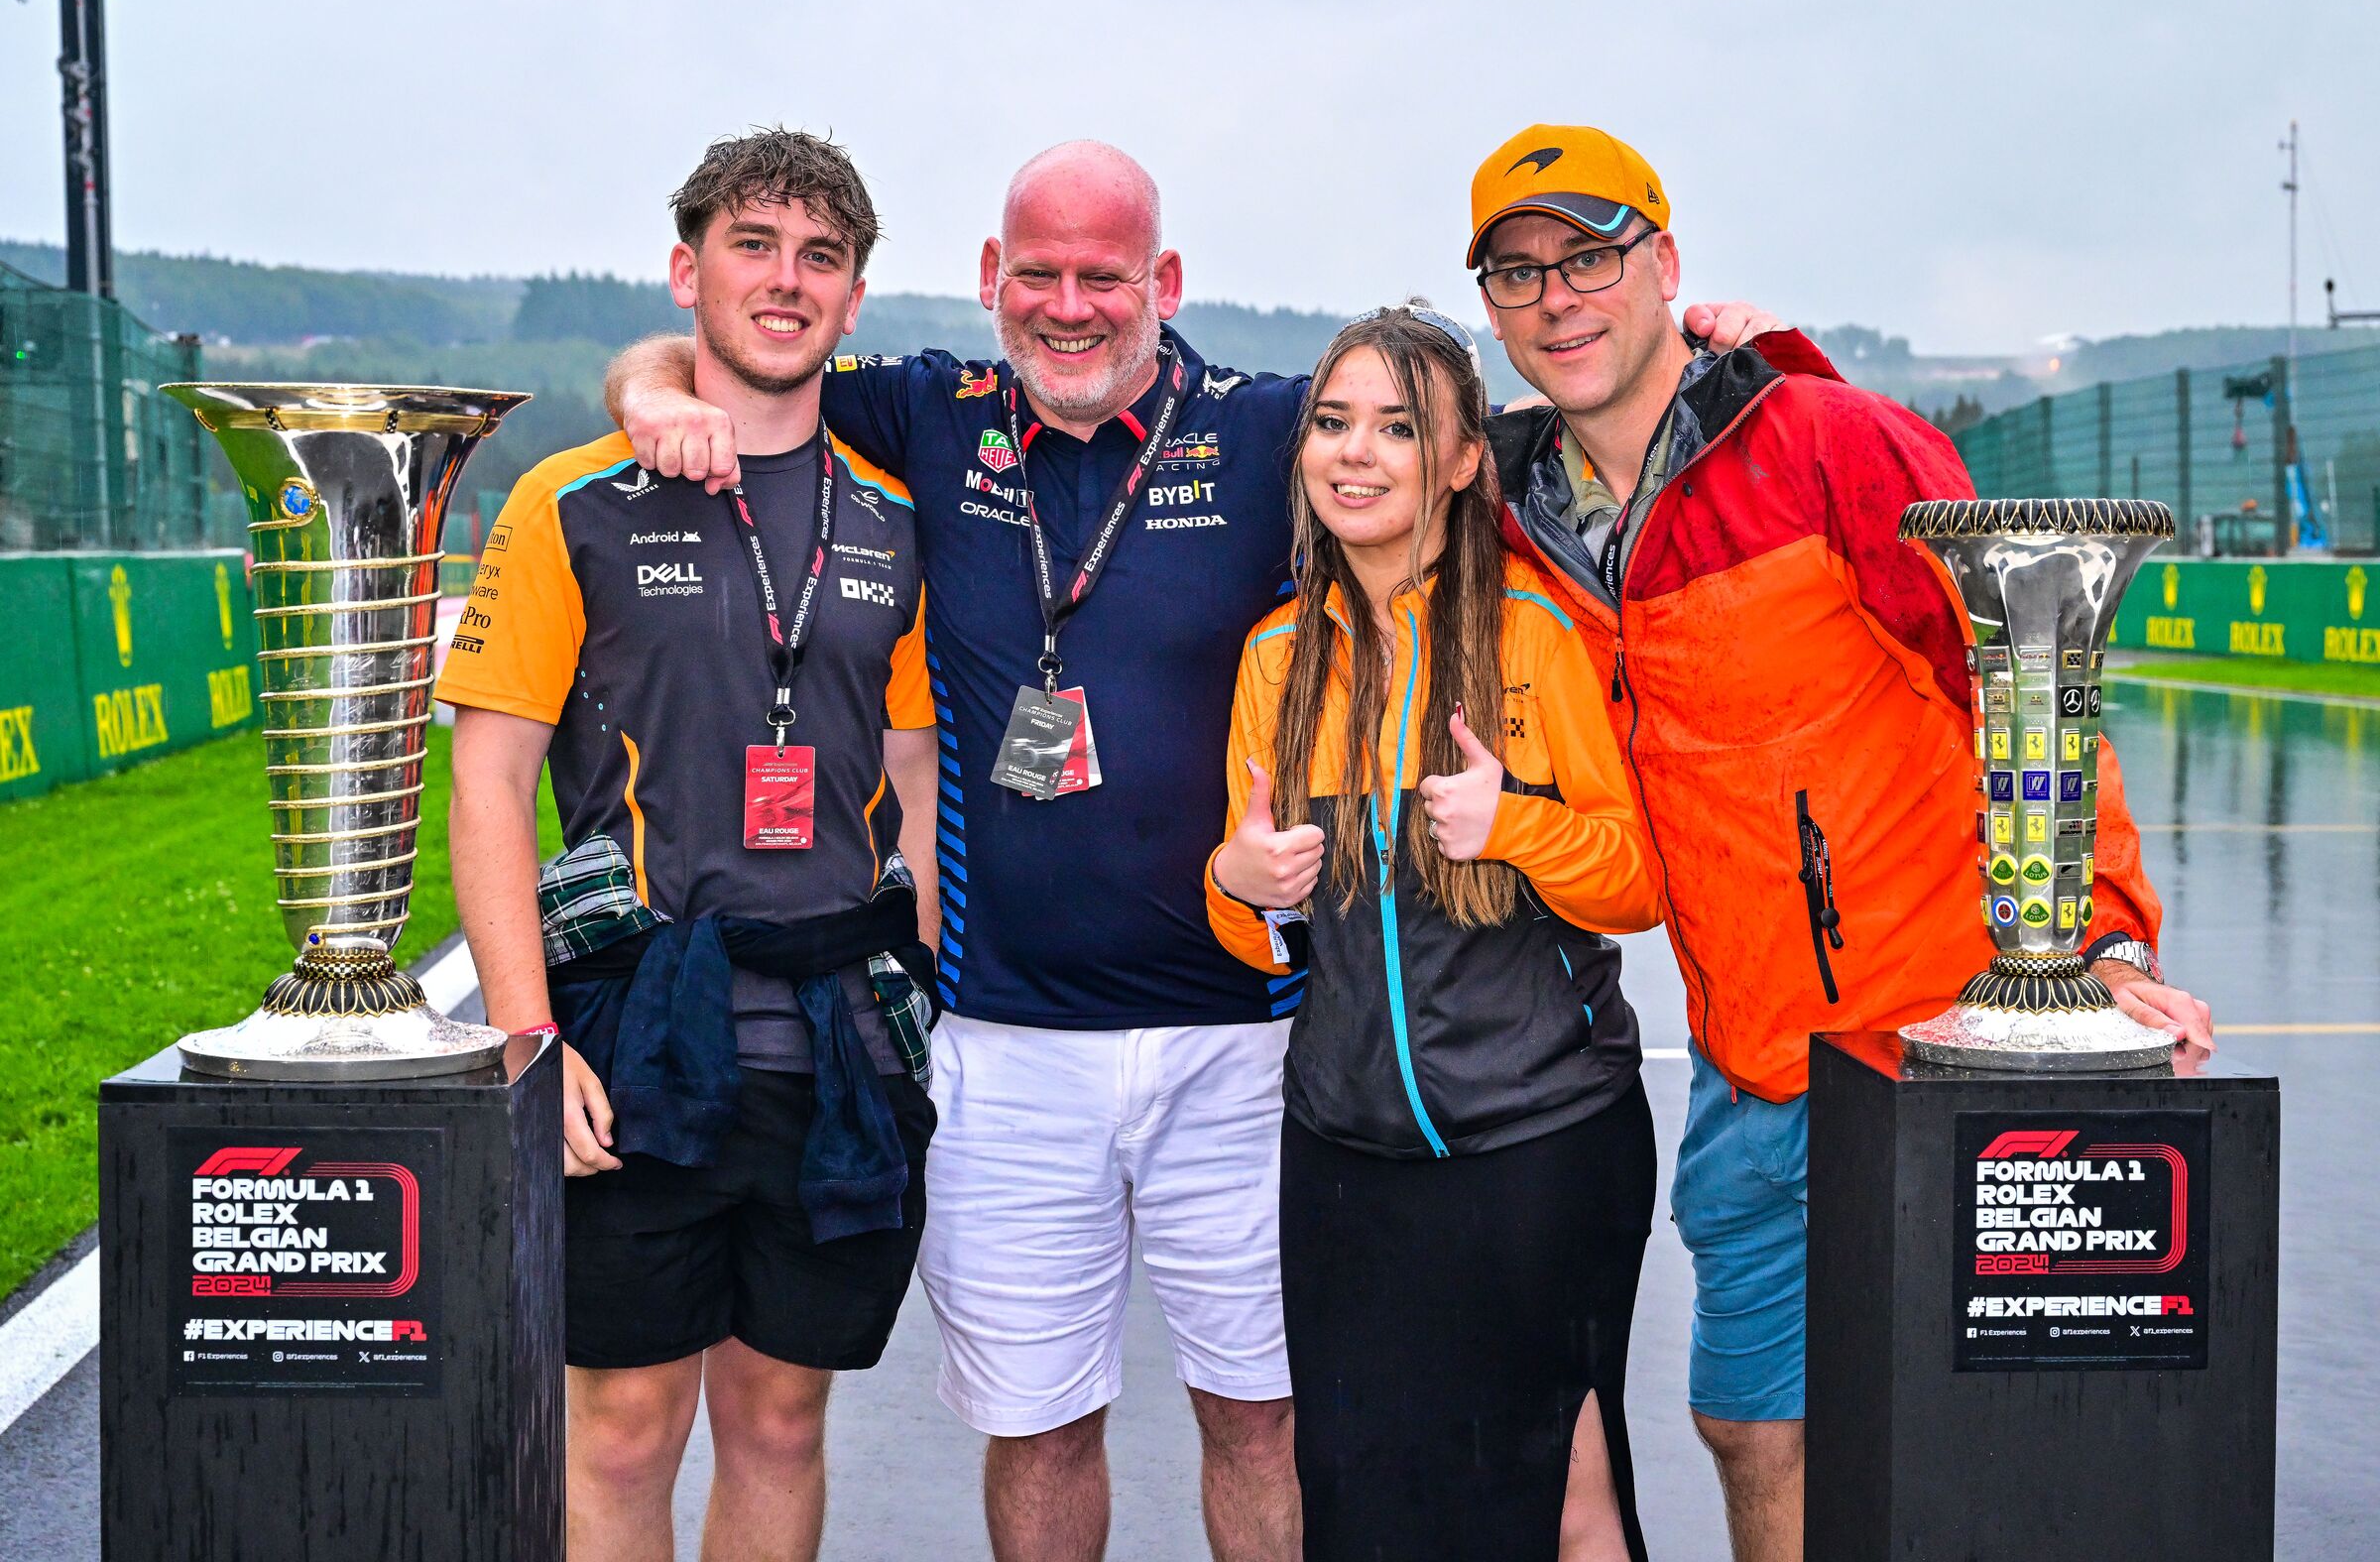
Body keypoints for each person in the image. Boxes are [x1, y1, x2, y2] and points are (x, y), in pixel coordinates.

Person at [606, 138, 1778, 1562]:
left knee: (1262, 1418)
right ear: (991, 278)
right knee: (1037, 1429)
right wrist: (646, 391)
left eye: (1106, 275)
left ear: (1163, 281)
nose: (1070, 305)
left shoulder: (1273, 425)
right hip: (1007, 1037)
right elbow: (735, 349)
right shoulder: (928, 409)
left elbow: (1453, 424)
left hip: (1250, 1044)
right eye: (1035, 273)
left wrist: (1703, 349)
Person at [1466, 122, 2218, 1562]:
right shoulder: (1507, 517)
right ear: (1491, 307)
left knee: (1966, 1443)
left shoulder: (1829, 444)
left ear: (1666, 264)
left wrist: (2109, 937)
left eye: (1594, 257)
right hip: (1750, 1068)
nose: (1558, 297)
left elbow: (2027, 675)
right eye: (1518, 271)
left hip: (1942, 1046)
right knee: (1755, 1434)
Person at [439, 128, 941, 1562]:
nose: (786, 282)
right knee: (619, 1429)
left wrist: (924, 996)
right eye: (755, 246)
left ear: (852, 304)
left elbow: (910, 775)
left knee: (782, 1424)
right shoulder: (571, 503)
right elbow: (488, 787)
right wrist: (530, 1039)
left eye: (821, 258)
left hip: (835, 1047)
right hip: (630, 1041)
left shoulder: (893, 522)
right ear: (688, 270)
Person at [1207, 303, 1663, 1561]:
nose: (1357, 453)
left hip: (1541, 1148)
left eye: (1399, 427)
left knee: (1561, 1501)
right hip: (1345, 1164)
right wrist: (1240, 882)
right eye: (1334, 423)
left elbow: (1636, 882)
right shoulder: (1276, 656)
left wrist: (1515, 825)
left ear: (1464, 459)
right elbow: (1257, 933)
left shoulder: (1536, 633)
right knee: (1359, 1509)